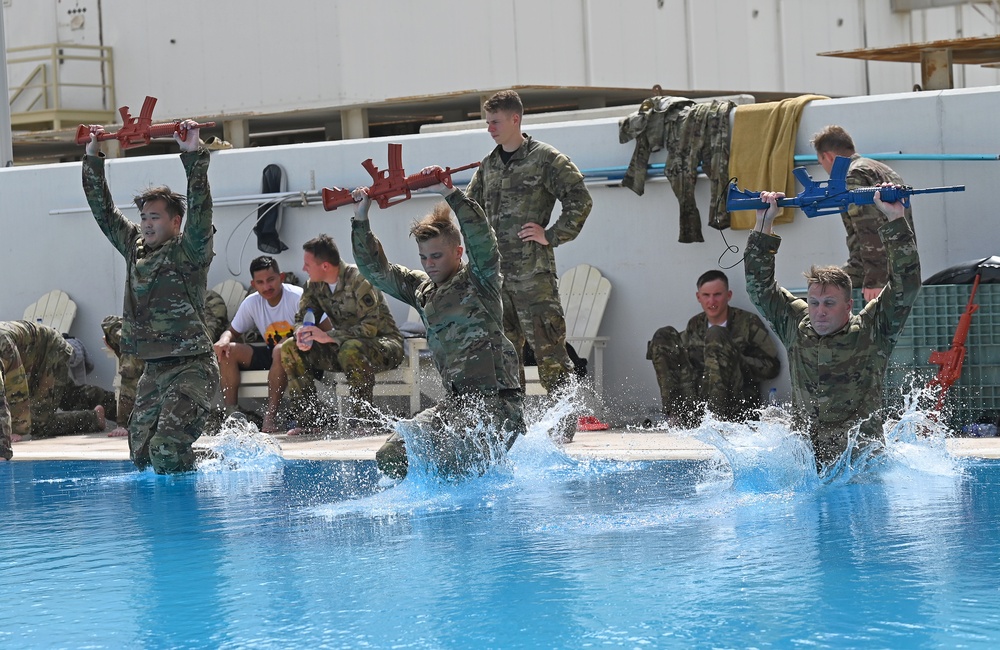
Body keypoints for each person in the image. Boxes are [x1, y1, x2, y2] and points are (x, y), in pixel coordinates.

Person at [351, 167, 525, 479]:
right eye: (424, 257)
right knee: (392, 455)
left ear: (458, 252)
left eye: (436, 256)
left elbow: (483, 241)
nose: (429, 264)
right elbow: (377, 272)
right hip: (456, 405)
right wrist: (361, 217)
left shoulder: (479, 281)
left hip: (496, 406)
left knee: (450, 465)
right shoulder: (422, 290)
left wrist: (451, 194)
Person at [744, 186, 920, 467]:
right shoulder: (796, 326)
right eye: (814, 303)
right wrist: (764, 224)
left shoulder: (871, 331)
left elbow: (906, 285)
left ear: (849, 306)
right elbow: (759, 289)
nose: (819, 312)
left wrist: (896, 219)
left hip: (861, 465)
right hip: (807, 468)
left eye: (829, 303)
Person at [82, 119, 220, 474]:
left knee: (166, 449)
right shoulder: (135, 248)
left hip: (192, 364)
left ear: (175, 222)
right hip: (155, 368)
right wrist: (92, 157)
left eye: (155, 217)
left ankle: (188, 518)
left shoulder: (189, 252)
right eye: (143, 216)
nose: (145, 223)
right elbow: (104, 213)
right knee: (141, 452)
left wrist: (192, 154)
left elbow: (202, 209)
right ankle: (206, 471)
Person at [465, 89, 593, 442]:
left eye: (495, 121)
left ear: (515, 119)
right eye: (487, 122)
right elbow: (470, 210)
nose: (489, 128)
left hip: (533, 277)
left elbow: (580, 199)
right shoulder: (488, 166)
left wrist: (551, 234)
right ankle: (513, 431)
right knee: (504, 357)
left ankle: (565, 429)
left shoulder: (545, 159)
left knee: (550, 354)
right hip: (496, 279)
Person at [280, 234, 403, 435]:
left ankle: (363, 420)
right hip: (343, 348)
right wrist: (302, 334)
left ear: (325, 266)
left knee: (350, 348)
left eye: (307, 264)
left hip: (383, 346)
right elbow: (302, 317)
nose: (304, 269)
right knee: (289, 348)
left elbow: (369, 328)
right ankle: (309, 422)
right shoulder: (314, 285)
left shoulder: (359, 280)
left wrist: (329, 336)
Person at [647, 270, 780, 424]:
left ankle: (716, 419)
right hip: (698, 401)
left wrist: (736, 358)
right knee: (663, 336)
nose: (712, 301)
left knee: (716, 334)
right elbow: (678, 357)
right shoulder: (695, 324)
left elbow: (772, 367)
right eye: (706, 295)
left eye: (717, 294)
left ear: (728, 295)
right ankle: (674, 415)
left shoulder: (747, 323)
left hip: (735, 402)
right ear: (698, 297)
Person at [101, 288, 228, 439]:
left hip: (185, 354)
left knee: (133, 351)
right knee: (130, 343)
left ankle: (125, 421)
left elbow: (206, 335)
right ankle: (132, 343)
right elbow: (117, 322)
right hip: (153, 349)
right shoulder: (162, 300)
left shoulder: (210, 299)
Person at [811, 125, 917, 302]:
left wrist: (875, 279)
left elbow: (868, 227)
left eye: (821, 162)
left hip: (876, 272)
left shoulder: (853, 174)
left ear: (828, 156)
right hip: (902, 264)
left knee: (821, 295)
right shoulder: (882, 169)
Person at [213, 256, 303, 433]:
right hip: (272, 355)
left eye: (271, 280)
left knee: (279, 350)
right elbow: (231, 331)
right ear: (253, 284)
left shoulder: (296, 296)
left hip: (301, 357)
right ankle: (231, 416)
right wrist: (224, 340)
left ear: (281, 277)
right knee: (228, 350)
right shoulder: (252, 302)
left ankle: (270, 418)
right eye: (260, 282)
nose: (266, 287)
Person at [0, 320, 115, 458]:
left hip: (51, 350)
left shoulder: (3, 345)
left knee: (38, 423)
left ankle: (95, 418)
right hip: (35, 357)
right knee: (69, 396)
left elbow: (16, 389)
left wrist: (16, 429)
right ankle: (120, 408)